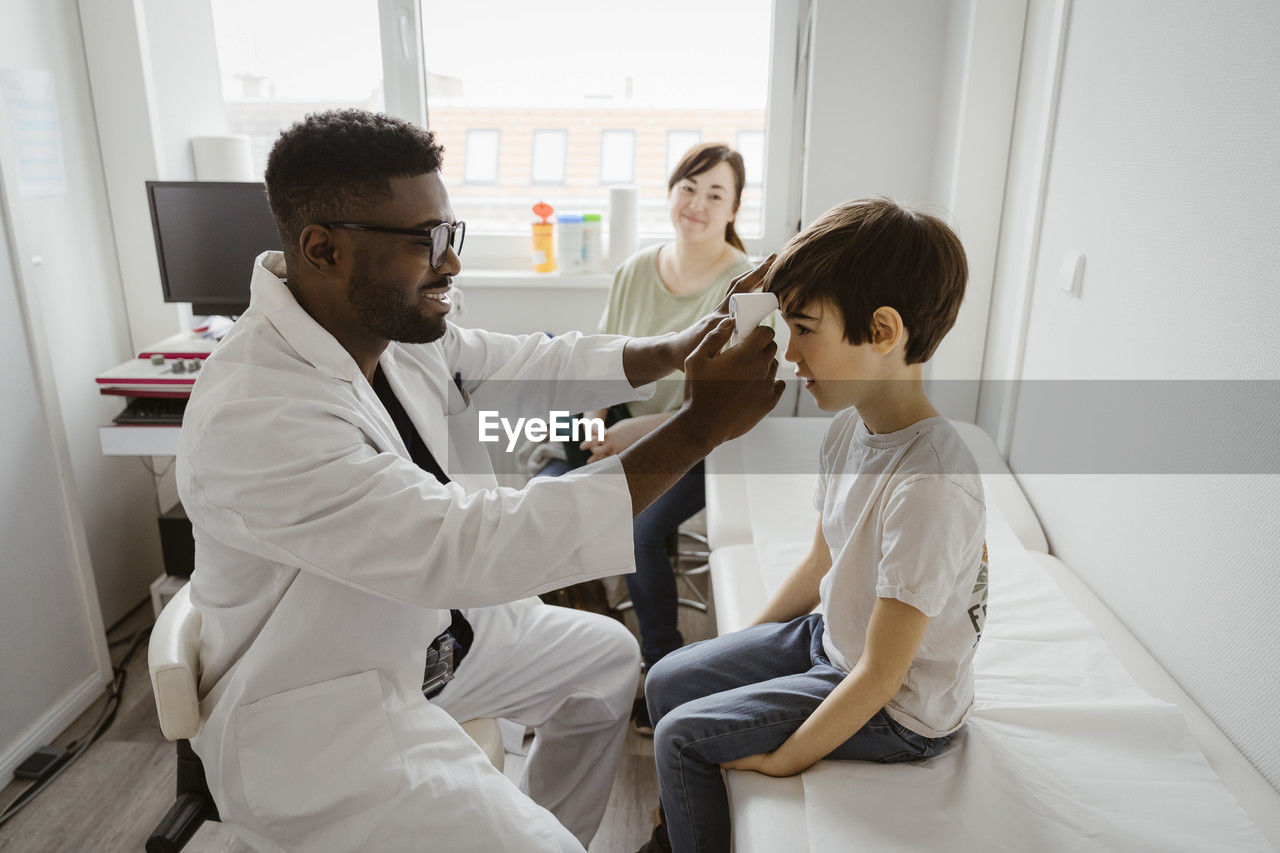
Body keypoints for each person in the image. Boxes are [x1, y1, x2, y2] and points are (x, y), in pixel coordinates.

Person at [176, 110, 784, 853]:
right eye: (424, 241)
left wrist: (677, 346)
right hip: (323, 707)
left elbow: (526, 363)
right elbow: (466, 549)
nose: (451, 263)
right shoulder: (257, 412)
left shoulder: (384, 334)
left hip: (425, 641)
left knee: (606, 661)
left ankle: (533, 831)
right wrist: (699, 426)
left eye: (451, 233)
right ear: (323, 248)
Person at [637, 198, 988, 853]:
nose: (788, 350)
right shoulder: (847, 431)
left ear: (883, 331)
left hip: (901, 707)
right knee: (668, 677)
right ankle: (676, 825)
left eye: (804, 327)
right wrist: (734, 651)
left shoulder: (930, 482)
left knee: (682, 734)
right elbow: (819, 562)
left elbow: (884, 674)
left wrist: (786, 758)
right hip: (835, 637)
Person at [543, 144, 756, 727]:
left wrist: (638, 429)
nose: (698, 204)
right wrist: (595, 419)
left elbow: (724, 403)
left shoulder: (747, 286)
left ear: (735, 208)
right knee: (543, 495)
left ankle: (661, 674)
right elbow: (603, 365)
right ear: (670, 192)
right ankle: (567, 652)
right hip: (616, 436)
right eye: (689, 187)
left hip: (702, 445)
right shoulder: (637, 269)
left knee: (638, 529)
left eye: (716, 194)